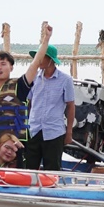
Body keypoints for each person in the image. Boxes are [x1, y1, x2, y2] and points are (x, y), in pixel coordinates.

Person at [26, 23, 76, 171]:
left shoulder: (65, 80)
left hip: (54, 132)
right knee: (29, 169)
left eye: (42, 57)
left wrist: (69, 132)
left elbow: (71, 106)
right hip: (34, 129)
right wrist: (26, 124)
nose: (39, 60)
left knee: (52, 170)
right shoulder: (34, 77)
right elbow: (28, 103)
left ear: (51, 60)